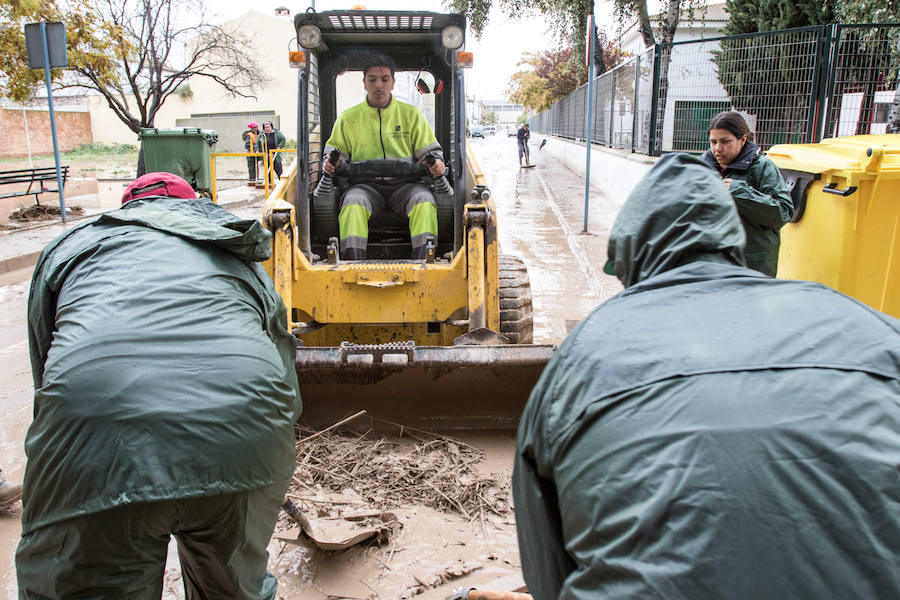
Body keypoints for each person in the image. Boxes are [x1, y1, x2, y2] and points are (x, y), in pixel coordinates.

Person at [514, 153, 900, 600]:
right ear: (731, 236)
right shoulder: (863, 325)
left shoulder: (585, 354)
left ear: (630, 256)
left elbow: (548, 575)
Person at [17, 172, 302, 598]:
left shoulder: (74, 245)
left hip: (97, 447)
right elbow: (282, 365)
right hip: (245, 439)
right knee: (232, 589)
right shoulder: (234, 248)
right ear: (194, 207)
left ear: (126, 208)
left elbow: (47, 369)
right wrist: (269, 454)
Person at [323, 52, 446, 260]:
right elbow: (336, 155)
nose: (378, 85)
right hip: (365, 187)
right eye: (372, 79)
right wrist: (330, 164)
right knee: (353, 203)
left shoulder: (411, 115)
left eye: (384, 79)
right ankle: (352, 266)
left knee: (424, 201)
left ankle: (424, 263)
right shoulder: (348, 119)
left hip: (406, 186)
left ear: (392, 83)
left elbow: (430, 152)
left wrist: (437, 164)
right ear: (364, 83)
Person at [700, 110, 793, 276]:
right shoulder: (702, 166)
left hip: (752, 265)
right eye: (713, 142)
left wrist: (739, 192)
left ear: (742, 139)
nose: (717, 149)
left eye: (725, 141)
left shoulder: (762, 167)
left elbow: (783, 212)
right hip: (713, 261)